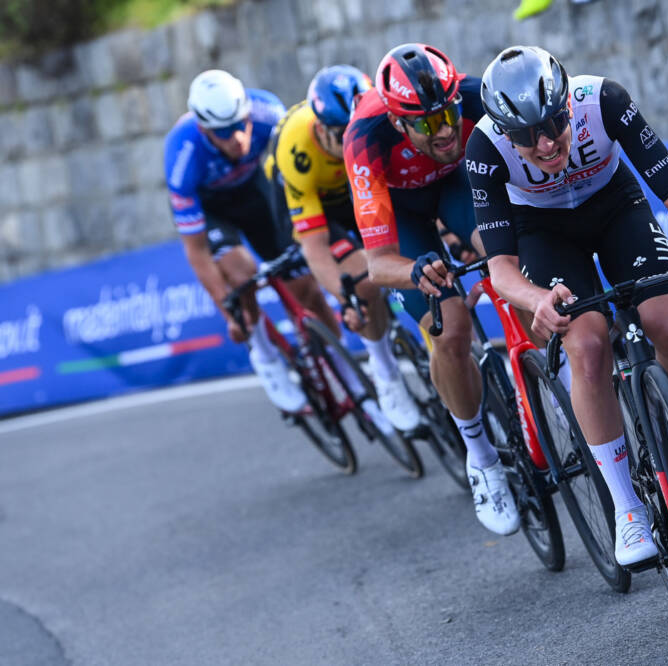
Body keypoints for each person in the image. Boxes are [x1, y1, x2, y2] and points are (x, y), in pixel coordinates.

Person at [466, 46, 668, 566]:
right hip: (543, 232)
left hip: (616, 207)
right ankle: (627, 506)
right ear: (505, 132)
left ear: (568, 104)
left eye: (554, 123)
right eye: (526, 136)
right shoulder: (484, 147)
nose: (546, 144)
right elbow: (500, 269)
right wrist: (537, 299)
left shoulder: (604, 100)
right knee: (587, 347)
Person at [343, 43, 519, 535]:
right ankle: (481, 457)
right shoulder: (365, 138)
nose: (443, 130)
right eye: (426, 123)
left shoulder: (475, 95)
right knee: (452, 330)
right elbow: (379, 265)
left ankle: (552, 385)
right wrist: (415, 270)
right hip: (403, 216)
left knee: (511, 261)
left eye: (447, 113)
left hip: (458, 184)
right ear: (397, 123)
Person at [163, 69, 374, 425]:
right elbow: (197, 251)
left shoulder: (267, 111)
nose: (238, 137)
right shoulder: (182, 155)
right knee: (242, 274)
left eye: (241, 124)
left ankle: (346, 369)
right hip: (213, 211)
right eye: (224, 132)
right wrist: (229, 312)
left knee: (306, 287)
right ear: (204, 129)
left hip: (255, 192)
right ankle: (265, 358)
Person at [266, 65, 420, 431]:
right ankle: (384, 370)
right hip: (319, 202)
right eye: (342, 134)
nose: (353, 139)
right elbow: (315, 248)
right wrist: (346, 298)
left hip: (358, 183)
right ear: (321, 130)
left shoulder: (373, 122)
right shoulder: (297, 151)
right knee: (363, 282)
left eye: (357, 128)